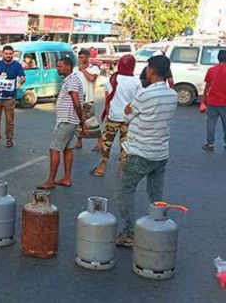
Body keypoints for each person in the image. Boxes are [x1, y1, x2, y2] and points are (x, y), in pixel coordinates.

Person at [116, 55, 178, 247]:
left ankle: (129, 233)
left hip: (140, 151)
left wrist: (131, 111)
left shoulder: (145, 94)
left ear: (151, 70)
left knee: (126, 189)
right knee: (155, 193)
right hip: (161, 152)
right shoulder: (173, 95)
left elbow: (127, 115)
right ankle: (158, 228)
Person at [38, 57, 86, 190]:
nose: (57, 69)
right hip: (70, 120)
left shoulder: (71, 81)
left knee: (55, 148)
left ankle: (51, 180)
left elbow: (76, 101)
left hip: (67, 120)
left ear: (68, 67)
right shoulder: (72, 79)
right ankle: (66, 178)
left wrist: (82, 121)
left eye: (60, 66)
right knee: (67, 149)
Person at [91, 55, 140, 176]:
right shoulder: (137, 82)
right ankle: (123, 168)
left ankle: (102, 166)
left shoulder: (112, 79)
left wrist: (108, 114)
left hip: (113, 116)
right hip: (129, 118)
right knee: (125, 144)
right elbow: (138, 101)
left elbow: (107, 100)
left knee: (106, 142)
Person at [0, 45, 25, 148]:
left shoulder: (16, 65)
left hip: (10, 98)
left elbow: (22, 77)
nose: (8, 56)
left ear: (13, 55)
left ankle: (9, 139)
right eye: (6, 54)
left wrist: (20, 82)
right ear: (3, 54)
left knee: (9, 120)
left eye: (10, 54)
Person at [75, 49, 103, 151]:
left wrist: (83, 69)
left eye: (82, 57)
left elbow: (91, 78)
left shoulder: (94, 68)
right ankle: (79, 142)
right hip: (78, 98)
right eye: (79, 57)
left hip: (88, 99)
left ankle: (100, 142)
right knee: (78, 121)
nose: (80, 59)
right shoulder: (75, 69)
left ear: (87, 58)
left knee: (91, 121)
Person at [201, 50, 226, 151]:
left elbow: (207, 86)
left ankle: (210, 144)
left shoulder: (211, 70)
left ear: (218, 58)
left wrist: (204, 99)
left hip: (213, 101)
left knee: (211, 123)